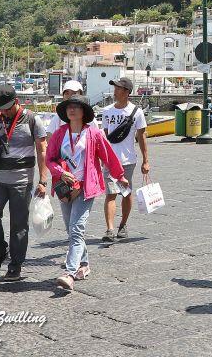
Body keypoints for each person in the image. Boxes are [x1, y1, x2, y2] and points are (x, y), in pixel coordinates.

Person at [47, 95, 127, 291]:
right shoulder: (59, 134)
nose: (72, 110)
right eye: (69, 107)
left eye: (76, 107)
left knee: (76, 229)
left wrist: (119, 175)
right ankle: (84, 264)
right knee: (70, 229)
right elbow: (49, 159)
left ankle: (69, 272)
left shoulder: (93, 134)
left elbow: (108, 155)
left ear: (84, 112)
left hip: (85, 187)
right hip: (64, 187)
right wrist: (61, 172)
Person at [0, 84, 49, 281]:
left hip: (22, 180)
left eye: (7, 108)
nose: (3, 112)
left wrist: (43, 180)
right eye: (0, 108)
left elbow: (42, 150)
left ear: (17, 102)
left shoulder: (32, 120)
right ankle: (0, 253)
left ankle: (15, 265)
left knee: (19, 225)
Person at [100, 77, 149, 242]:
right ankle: (110, 229)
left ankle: (123, 224)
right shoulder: (107, 111)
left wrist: (145, 160)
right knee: (111, 193)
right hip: (110, 161)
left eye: (119, 88)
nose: (115, 90)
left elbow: (142, 137)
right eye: (115, 87)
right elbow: (105, 138)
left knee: (126, 193)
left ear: (127, 92)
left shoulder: (137, 112)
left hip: (128, 159)